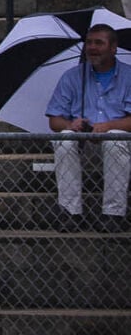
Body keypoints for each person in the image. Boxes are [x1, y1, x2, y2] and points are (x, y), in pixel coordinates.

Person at [46, 24, 131, 227]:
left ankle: (113, 214)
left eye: (99, 43)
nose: (92, 47)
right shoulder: (72, 76)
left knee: (114, 139)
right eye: (89, 42)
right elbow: (54, 120)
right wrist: (71, 124)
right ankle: (70, 213)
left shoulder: (129, 76)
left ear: (113, 48)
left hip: (121, 147)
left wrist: (108, 125)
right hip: (84, 146)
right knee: (64, 138)